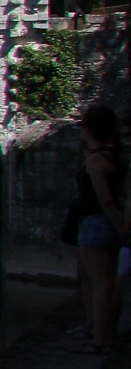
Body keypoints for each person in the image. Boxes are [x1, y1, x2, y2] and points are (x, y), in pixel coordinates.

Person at [70, 105, 125, 353]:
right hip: (106, 223)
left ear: (88, 129)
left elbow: (104, 200)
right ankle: (106, 333)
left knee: (99, 282)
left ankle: (99, 339)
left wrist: (118, 225)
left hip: (95, 223)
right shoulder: (116, 157)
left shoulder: (95, 160)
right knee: (108, 281)